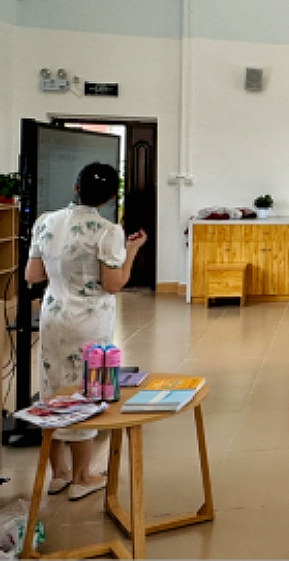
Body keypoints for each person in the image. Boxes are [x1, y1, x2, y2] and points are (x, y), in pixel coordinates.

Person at [25, 163, 148, 501]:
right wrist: (132, 251)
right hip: (90, 322)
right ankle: (82, 476)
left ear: (76, 188)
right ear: (110, 197)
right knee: (90, 391)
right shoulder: (108, 231)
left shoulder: (45, 221)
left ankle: (58, 474)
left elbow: (32, 275)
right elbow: (113, 284)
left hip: (53, 317)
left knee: (52, 390)